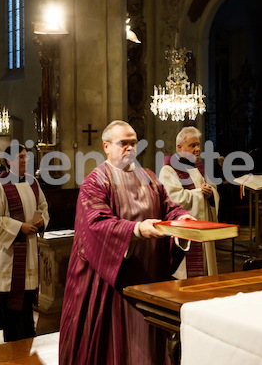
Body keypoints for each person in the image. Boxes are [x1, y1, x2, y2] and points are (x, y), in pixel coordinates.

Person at [59, 120, 193, 365]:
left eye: (134, 143)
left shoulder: (149, 177)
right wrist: (136, 230)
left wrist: (181, 218)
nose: (130, 148)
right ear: (107, 147)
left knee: (148, 346)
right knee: (114, 347)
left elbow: (168, 207)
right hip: (110, 280)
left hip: (150, 276)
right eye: (124, 143)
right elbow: (95, 225)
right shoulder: (96, 181)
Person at [0, 143, 49, 342]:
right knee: (12, 300)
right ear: (8, 161)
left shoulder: (33, 183)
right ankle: (12, 341)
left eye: (25, 157)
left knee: (27, 298)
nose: (24, 160)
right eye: (20, 157)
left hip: (29, 250)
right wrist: (20, 227)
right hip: (11, 253)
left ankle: (28, 337)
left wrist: (42, 221)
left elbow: (44, 207)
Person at [158, 126, 220, 277]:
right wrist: (200, 193)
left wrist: (211, 193)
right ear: (179, 147)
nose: (197, 149)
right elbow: (173, 201)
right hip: (185, 231)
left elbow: (214, 191)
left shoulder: (200, 167)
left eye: (198, 144)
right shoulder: (169, 169)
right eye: (192, 145)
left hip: (203, 229)